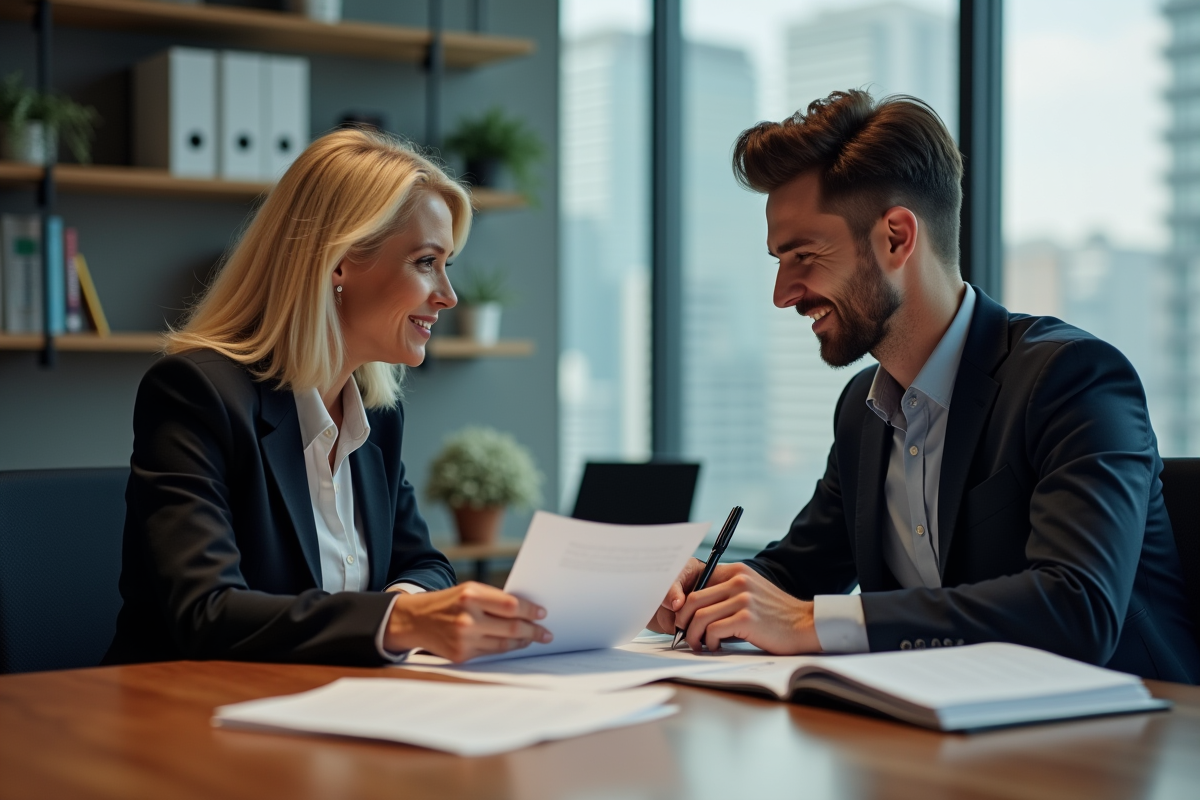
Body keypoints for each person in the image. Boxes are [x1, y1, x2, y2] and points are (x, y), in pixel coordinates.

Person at [649, 90, 1200, 683]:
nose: (783, 293)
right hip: (943, 732)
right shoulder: (863, 412)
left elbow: (1077, 610)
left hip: (1126, 746)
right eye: (778, 262)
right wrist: (707, 589)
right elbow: (799, 577)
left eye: (803, 255)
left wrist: (812, 623)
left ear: (895, 238)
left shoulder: (1073, 379)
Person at [105, 129, 551, 666]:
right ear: (338, 262)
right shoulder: (197, 393)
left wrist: (404, 607)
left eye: (446, 265)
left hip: (328, 708)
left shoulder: (377, 416)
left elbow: (425, 565)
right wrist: (401, 622)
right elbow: (208, 611)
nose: (448, 296)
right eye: (425, 262)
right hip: (191, 718)